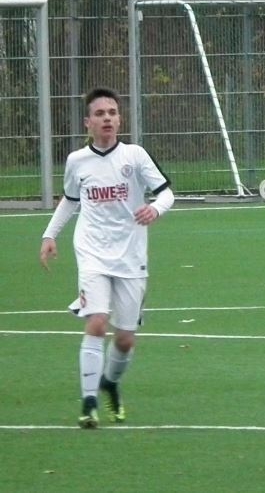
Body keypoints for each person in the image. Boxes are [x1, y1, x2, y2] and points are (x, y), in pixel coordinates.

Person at [39, 87, 174, 429]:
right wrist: (50, 235)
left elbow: (166, 193)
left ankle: (110, 383)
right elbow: (70, 200)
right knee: (97, 321)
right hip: (92, 252)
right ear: (88, 123)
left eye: (112, 113)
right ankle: (88, 404)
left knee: (125, 339)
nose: (107, 118)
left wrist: (155, 209)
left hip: (131, 255)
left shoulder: (135, 156)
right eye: (100, 114)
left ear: (120, 119)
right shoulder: (77, 161)